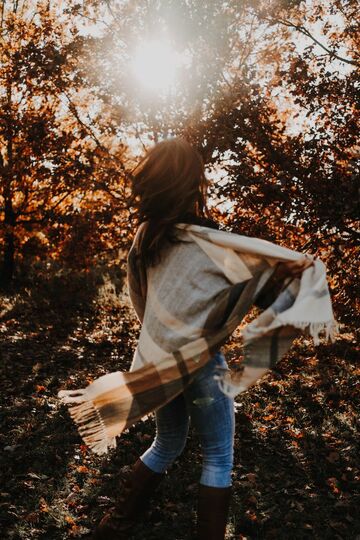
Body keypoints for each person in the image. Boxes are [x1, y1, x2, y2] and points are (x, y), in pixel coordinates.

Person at [92, 138, 314, 540]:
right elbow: (270, 282)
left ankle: (115, 526)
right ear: (193, 184)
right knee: (218, 455)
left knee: (166, 442)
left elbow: (139, 298)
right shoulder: (212, 245)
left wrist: (166, 341)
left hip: (157, 361)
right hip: (201, 365)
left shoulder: (146, 235)